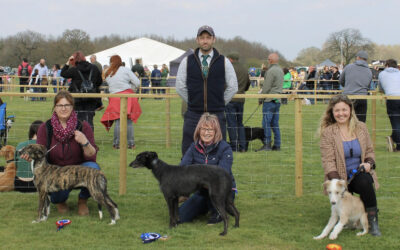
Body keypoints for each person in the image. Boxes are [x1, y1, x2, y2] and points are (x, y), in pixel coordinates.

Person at [21, 90, 100, 216]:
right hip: (55, 172)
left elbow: (92, 156)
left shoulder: (83, 126)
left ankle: (82, 200)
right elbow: (40, 152)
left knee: (93, 169)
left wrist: (85, 142)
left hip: (77, 170)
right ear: (55, 108)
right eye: (60, 105)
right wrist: (31, 157)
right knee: (58, 196)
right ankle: (60, 202)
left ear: (72, 107)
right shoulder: (45, 128)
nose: (63, 109)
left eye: (67, 105)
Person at [319, 94, 381, 236]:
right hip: (340, 177)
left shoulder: (361, 127)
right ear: (332, 113)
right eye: (337, 111)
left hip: (358, 174)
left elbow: (370, 151)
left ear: (350, 110)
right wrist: (338, 182)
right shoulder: (328, 133)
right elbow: (328, 161)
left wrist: (369, 163)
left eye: (344, 110)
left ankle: (372, 222)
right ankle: (349, 220)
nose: (341, 114)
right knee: (343, 199)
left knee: (365, 182)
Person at [176, 25, 238, 156]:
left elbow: (233, 87)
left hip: (216, 114)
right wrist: (194, 102)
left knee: (218, 153)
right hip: (193, 115)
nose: (205, 41)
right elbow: (180, 86)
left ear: (213, 39)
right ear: (197, 40)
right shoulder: (186, 61)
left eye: (208, 38)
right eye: (202, 38)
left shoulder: (224, 61)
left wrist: (218, 103)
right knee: (188, 152)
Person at [179, 113, 237, 224]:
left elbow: (221, 174)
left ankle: (219, 211)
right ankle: (204, 206)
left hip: (222, 190)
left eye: (210, 130)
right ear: (199, 130)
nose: (206, 133)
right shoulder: (193, 147)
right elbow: (183, 168)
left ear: (216, 132)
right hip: (202, 190)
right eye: (204, 129)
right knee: (180, 217)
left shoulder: (225, 148)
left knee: (215, 215)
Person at [100, 55, 142, 149]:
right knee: (129, 121)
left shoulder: (108, 72)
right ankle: (131, 144)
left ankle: (116, 144)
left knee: (118, 121)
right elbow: (137, 83)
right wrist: (130, 87)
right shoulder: (125, 70)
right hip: (127, 97)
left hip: (114, 98)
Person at [61, 51, 102, 130]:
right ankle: (89, 139)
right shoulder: (94, 68)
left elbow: (63, 73)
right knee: (89, 119)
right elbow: (99, 82)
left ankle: (79, 139)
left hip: (77, 98)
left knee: (78, 120)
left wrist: (67, 63)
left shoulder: (74, 69)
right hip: (91, 98)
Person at [257, 53, 283, 151]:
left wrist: (261, 99)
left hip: (269, 100)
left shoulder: (270, 71)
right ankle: (277, 145)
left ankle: (267, 144)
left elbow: (266, 87)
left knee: (266, 123)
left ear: (270, 60)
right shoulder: (280, 70)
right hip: (277, 100)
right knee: (275, 124)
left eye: (268, 59)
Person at [224, 52, 250, 152]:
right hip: (241, 99)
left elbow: (223, 83)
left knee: (231, 124)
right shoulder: (244, 69)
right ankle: (243, 147)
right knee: (240, 123)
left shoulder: (228, 68)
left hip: (230, 99)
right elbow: (248, 83)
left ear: (230, 59)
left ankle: (234, 147)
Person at [339, 51, 372, 123]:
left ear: (358, 58)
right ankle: (360, 134)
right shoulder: (369, 70)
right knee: (361, 122)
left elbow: (341, 81)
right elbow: (368, 86)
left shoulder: (348, 67)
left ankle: (347, 134)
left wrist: (348, 86)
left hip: (349, 96)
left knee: (347, 120)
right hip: (362, 97)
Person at [13, 120, 44, 192]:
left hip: (18, 184)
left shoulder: (20, 145)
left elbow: (15, 165)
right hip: (35, 184)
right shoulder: (44, 147)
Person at [378, 59, 400, 152]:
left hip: (392, 98)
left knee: (395, 122)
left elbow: (381, 88)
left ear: (386, 65)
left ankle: (394, 140)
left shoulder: (382, 74)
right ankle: (395, 141)